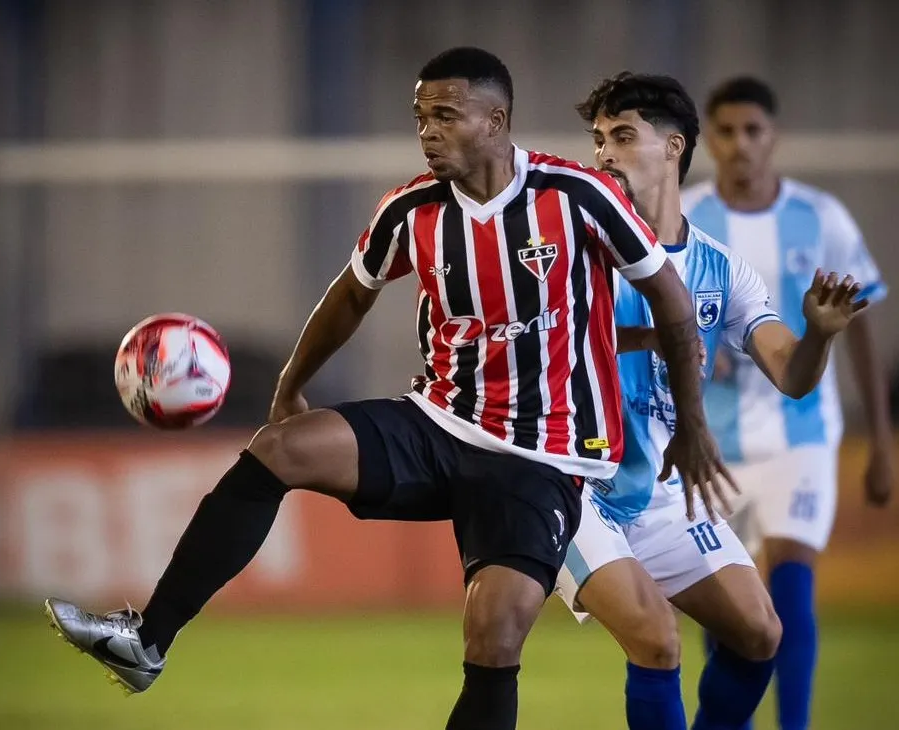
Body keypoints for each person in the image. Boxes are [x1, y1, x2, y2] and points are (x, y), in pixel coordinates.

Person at [43, 47, 724, 729]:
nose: (428, 132)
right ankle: (148, 640)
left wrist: (691, 426)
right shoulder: (411, 209)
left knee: (492, 634)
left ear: (496, 121)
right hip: (438, 422)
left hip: (542, 455)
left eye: (446, 116)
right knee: (280, 449)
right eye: (421, 116)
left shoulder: (577, 195)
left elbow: (667, 295)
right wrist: (291, 385)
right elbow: (350, 296)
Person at [555, 72, 872, 730]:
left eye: (621, 136)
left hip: (663, 492)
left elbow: (791, 373)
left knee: (760, 634)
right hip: (573, 484)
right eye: (597, 139)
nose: (602, 154)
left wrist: (817, 334)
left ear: (674, 148)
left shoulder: (720, 270)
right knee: (656, 641)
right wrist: (658, 336)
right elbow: (548, 338)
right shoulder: (574, 245)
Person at [682, 76, 894, 730]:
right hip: (712, 443)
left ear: (774, 137)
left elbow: (858, 328)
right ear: (707, 141)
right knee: (730, 606)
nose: (741, 144)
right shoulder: (685, 218)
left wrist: (882, 442)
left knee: (792, 587)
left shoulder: (820, 217)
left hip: (801, 434)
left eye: (753, 131)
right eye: (726, 131)